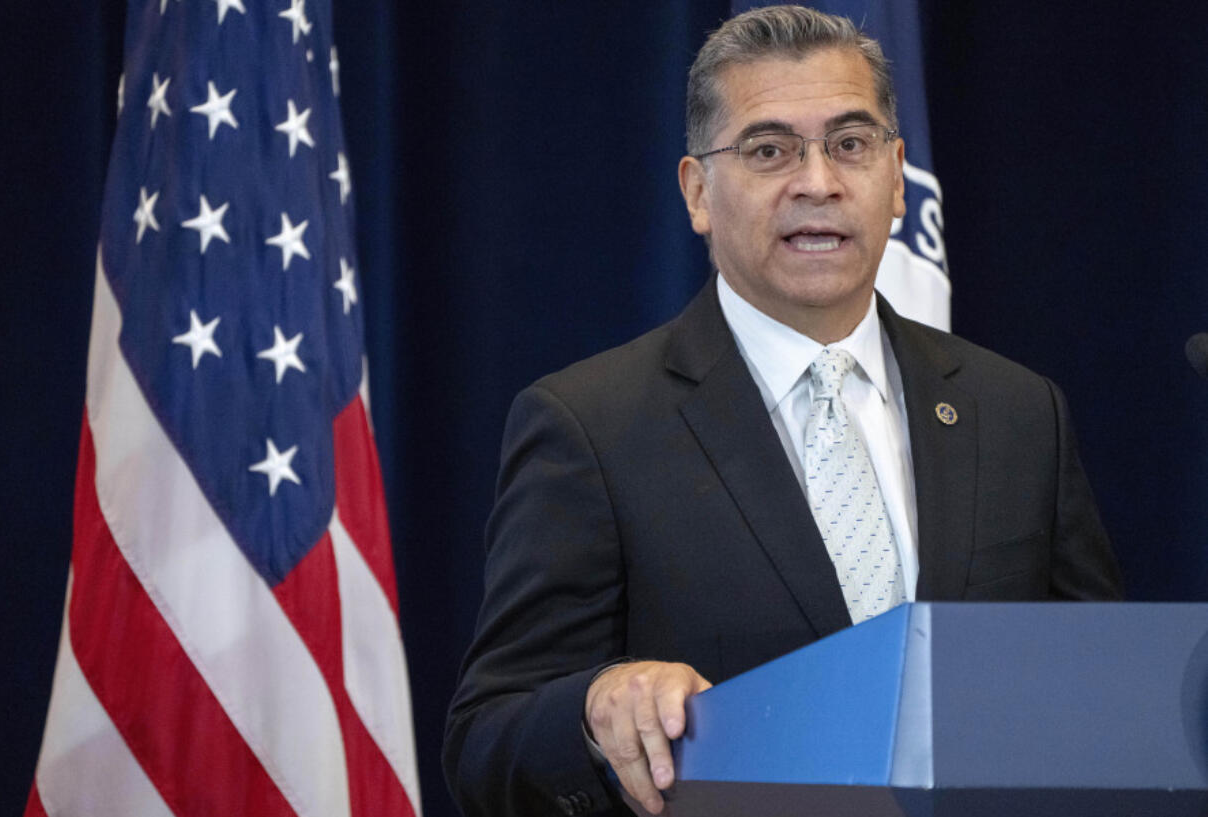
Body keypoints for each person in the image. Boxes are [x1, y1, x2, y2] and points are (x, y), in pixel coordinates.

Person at [442, 6, 1123, 817]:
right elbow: (485, 740)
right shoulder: (590, 424)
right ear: (698, 192)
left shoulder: (1016, 410)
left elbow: (1100, 690)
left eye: (850, 143)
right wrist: (596, 705)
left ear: (896, 177)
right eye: (770, 150)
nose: (818, 182)